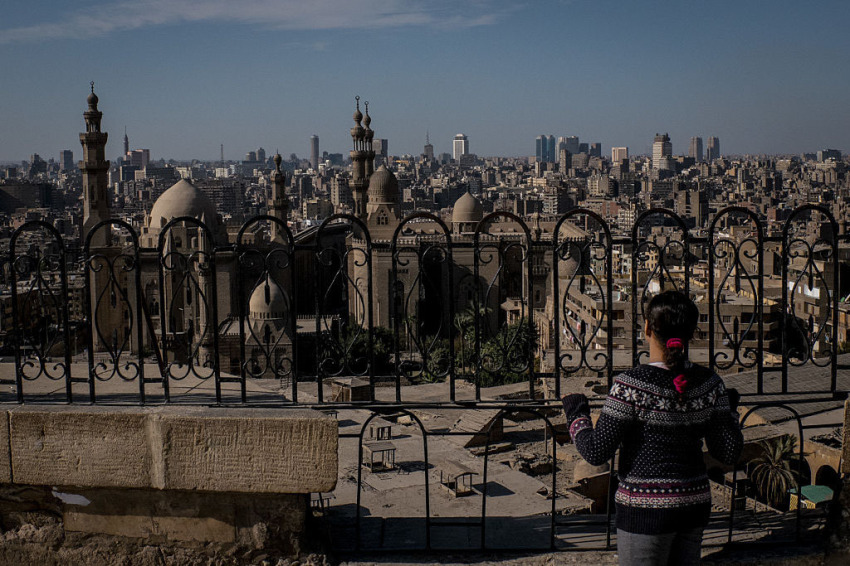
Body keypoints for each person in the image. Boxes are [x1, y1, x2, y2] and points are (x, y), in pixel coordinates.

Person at [561, 290, 743, 565]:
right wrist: (728, 411)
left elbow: (596, 451)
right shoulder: (710, 384)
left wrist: (576, 414)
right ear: (691, 332)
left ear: (647, 327)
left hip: (645, 512)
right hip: (693, 506)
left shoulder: (631, 386)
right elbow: (728, 451)